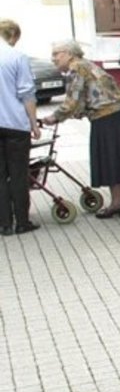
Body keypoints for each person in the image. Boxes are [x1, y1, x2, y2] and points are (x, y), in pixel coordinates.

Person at [42, 40, 120, 219]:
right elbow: (81, 101)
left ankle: (118, 202)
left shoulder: (77, 68)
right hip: (116, 114)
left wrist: (54, 117)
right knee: (114, 158)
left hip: (107, 116)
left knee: (111, 158)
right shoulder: (85, 64)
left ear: (69, 54)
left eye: (57, 54)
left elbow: (72, 100)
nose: (53, 59)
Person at [0, 20, 41, 235]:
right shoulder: (17, 57)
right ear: (13, 35)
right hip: (15, 124)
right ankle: (22, 221)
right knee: (18, 172)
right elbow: (26, 93)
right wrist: (33, 123)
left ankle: (4, 223)